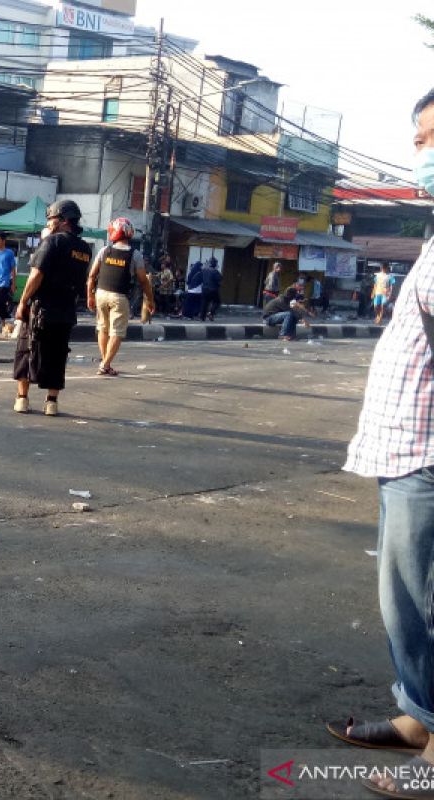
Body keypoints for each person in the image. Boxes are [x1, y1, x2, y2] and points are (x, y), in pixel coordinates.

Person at [337, 87, 434, 800]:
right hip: (407, 446)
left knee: (423, 601)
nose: (423, 154)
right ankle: (419, 717)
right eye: (421, 140)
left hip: (429, 452)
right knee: (404, 599)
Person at [12, 199, 90, 416]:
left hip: (41, 309)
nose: (49, 223)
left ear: (63, 220)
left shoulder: (53, 242)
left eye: (51, 219)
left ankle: (22, 399)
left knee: (26, 351)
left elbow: (36, 275)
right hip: (65, 311)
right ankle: (51, 403)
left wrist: (23, 302)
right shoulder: (84, 249)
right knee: (57, 355)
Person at [86, 217, 154, 376]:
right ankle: (105, 364)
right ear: (129, 233)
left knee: (102, 328)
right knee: (116, 332)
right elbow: (143, 281)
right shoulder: (135, 255)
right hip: (119, 297)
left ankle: (105, 363)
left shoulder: (105, 251)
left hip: (101, 294)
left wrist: (90, 295)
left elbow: (91, 275)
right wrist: (150, 300)